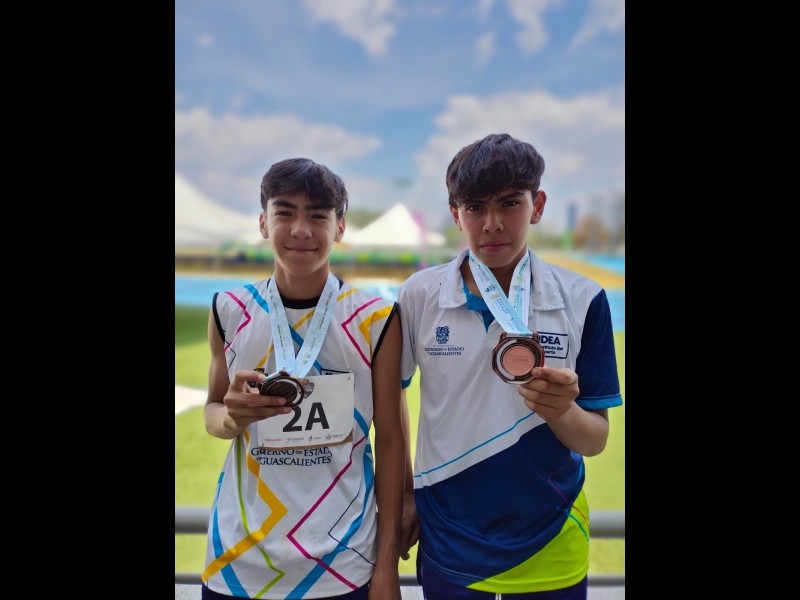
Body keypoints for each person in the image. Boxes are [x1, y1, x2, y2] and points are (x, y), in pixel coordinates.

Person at [397, 133, 623, 599]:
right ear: (456, 213)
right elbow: (391, 397)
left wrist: (561, 410)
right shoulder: (419, 295)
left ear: (537, 206)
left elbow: (595, 439)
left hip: (551, 540)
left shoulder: (583, 298)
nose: (492, 223)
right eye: (475, 207)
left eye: (509, 203)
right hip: (450, 539)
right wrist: (404, 495)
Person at [200, 158, 406, 600]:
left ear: (339, 227)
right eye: (285, 213)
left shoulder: (376, 319)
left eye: (317, 215)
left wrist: (387, 564)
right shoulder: (229, 310)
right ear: (263, 222)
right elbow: (213, 412)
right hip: (238, 563)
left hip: (343, 562)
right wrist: (231, 419)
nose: (300, 229)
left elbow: (391, 439)